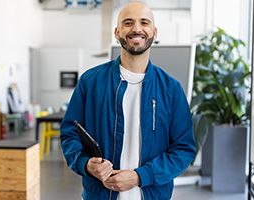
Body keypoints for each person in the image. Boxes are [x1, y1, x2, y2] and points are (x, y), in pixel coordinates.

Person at [60, 1, 196, 199]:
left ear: (154, 32)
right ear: (117, 32)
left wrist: (140, 176)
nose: (137, 29)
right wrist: (85, 164)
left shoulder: (171, 89)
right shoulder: (90, 82)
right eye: (128, 23)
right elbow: (69, 134)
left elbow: (184, 149)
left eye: (144, 22)